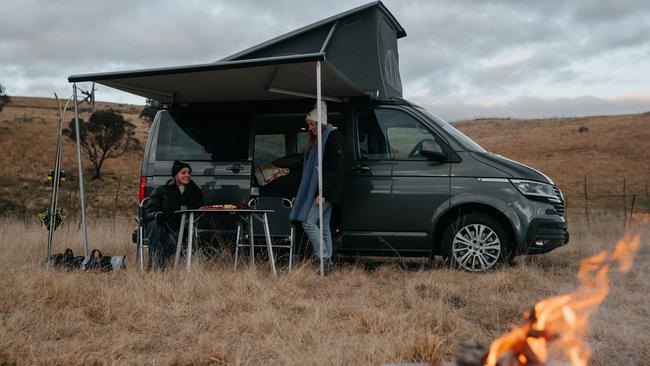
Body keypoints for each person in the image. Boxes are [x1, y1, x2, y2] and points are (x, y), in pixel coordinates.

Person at [290, 101, 344, 273]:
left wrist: (324, 193)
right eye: (309, 124)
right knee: (324, 227)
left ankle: (323, 258)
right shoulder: (320, 140)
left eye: (312, 124)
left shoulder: (332, 138)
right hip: (324, 192)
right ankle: (328, 264)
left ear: (320, 123)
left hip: (327, 192)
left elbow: (334, 170)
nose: (310, 128)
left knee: (308, 222)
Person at [144, 160, 203, 270]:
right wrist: (157, 214)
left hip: (180, 229)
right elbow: (149, 211)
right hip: (162, 226)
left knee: (166, 239)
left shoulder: (194, 192)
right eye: (183, 172)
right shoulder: (162, 190)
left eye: (189, 173)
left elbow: (200, 208)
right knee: (154, 224)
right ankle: (155, 265)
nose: (187, 175)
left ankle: (155, 266)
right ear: (176, 175)